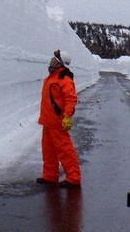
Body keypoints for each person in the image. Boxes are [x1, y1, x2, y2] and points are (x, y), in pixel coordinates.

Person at [36, 49, 81, 187]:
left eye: (54, 59)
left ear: (60, 63)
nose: (51, 60)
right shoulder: (51, 77)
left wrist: (67, 117)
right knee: (48, 150)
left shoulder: (64, 79)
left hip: (57, 121)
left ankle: (73, 178)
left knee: (65, 150)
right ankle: (50, 176)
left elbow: (70, 99)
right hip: (48, 121)